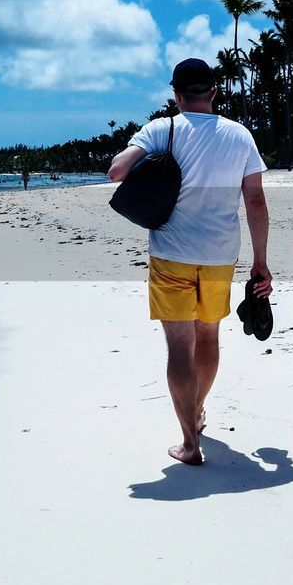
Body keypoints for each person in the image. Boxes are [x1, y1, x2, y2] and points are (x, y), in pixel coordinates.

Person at [108, 57, 272, 466]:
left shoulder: (163, 129)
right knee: (209, 338)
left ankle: (189, 442)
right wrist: (261, 263)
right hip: (219, 256)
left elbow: (116, 171)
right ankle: (197, 413)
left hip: (171, 254)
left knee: (179, 347)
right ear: (214, 92)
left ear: (176, 96)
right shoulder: (239, 136)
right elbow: (254, 199)